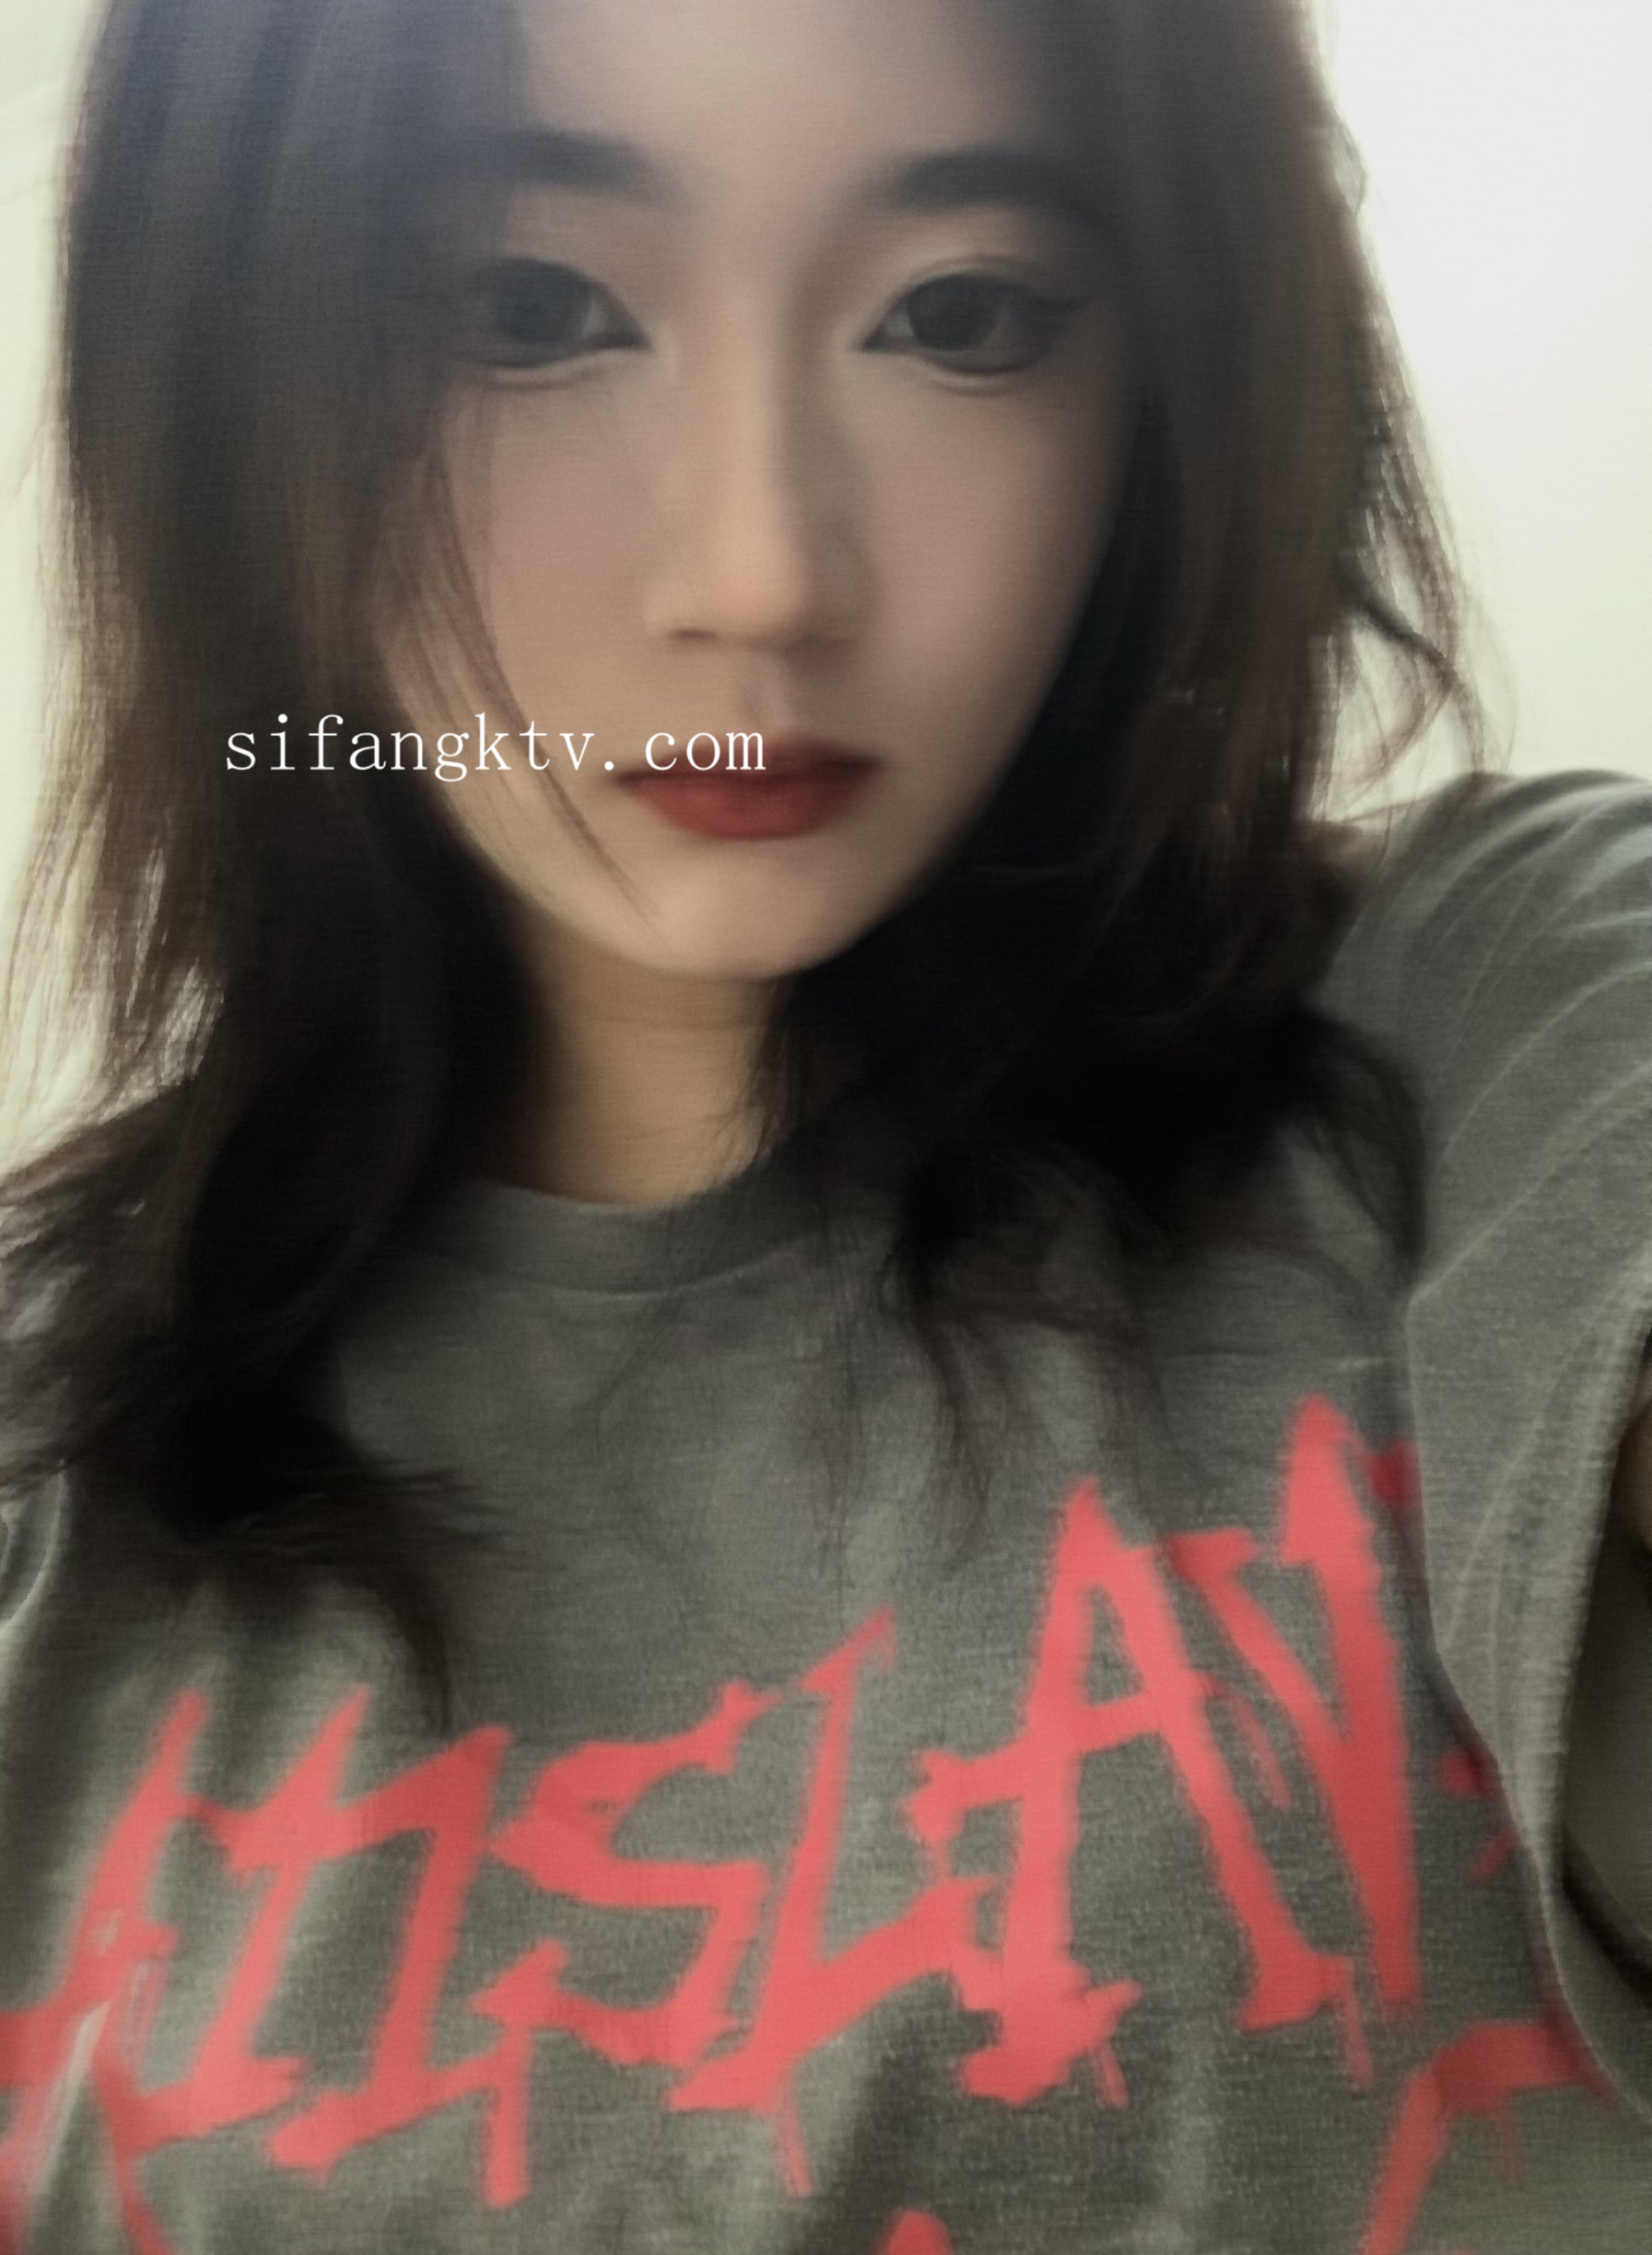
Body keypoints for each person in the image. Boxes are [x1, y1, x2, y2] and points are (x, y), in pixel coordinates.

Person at [0, 0, 1648, 2247]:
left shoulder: (1490, 1018)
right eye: (525, 310)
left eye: (963, 317)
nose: (762, 573)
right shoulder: (45, 1454)